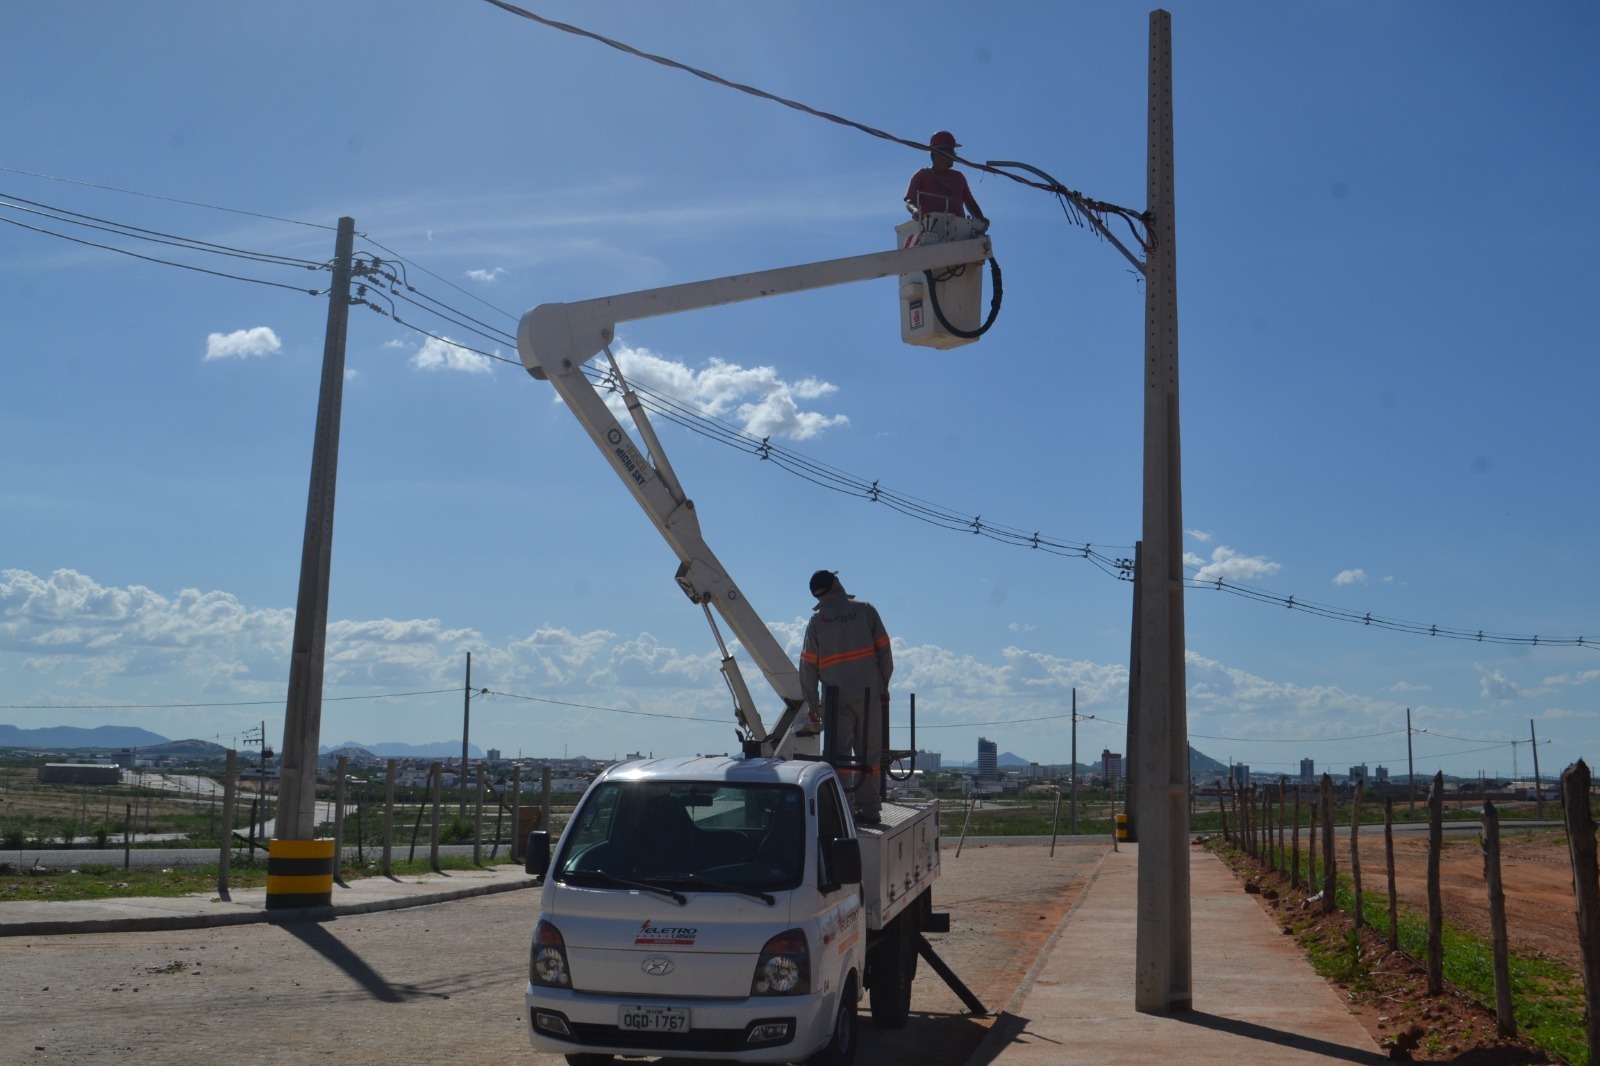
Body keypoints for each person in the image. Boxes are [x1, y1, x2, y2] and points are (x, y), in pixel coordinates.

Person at [799, 570, 893, 824]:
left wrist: (813, 703)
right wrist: (882, 686)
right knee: (869, 755)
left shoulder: (818, 621)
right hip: (868, 694)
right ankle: (871, 810)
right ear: (837, 584)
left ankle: (843, 812)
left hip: (834, 698)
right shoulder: (865, 611)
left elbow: (808, 665)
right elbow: (885, 652)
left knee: (838, 757)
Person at [904, 130, 986, 222]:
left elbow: (970, 202)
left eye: (953, 151)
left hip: (958, 230)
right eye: (950, 151)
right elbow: (910, 200)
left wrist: (981, 219)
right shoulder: (922, 175)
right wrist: (915, 210)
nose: (953, 155)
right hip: (930, 228)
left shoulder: (958, 177)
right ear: (936, 152)